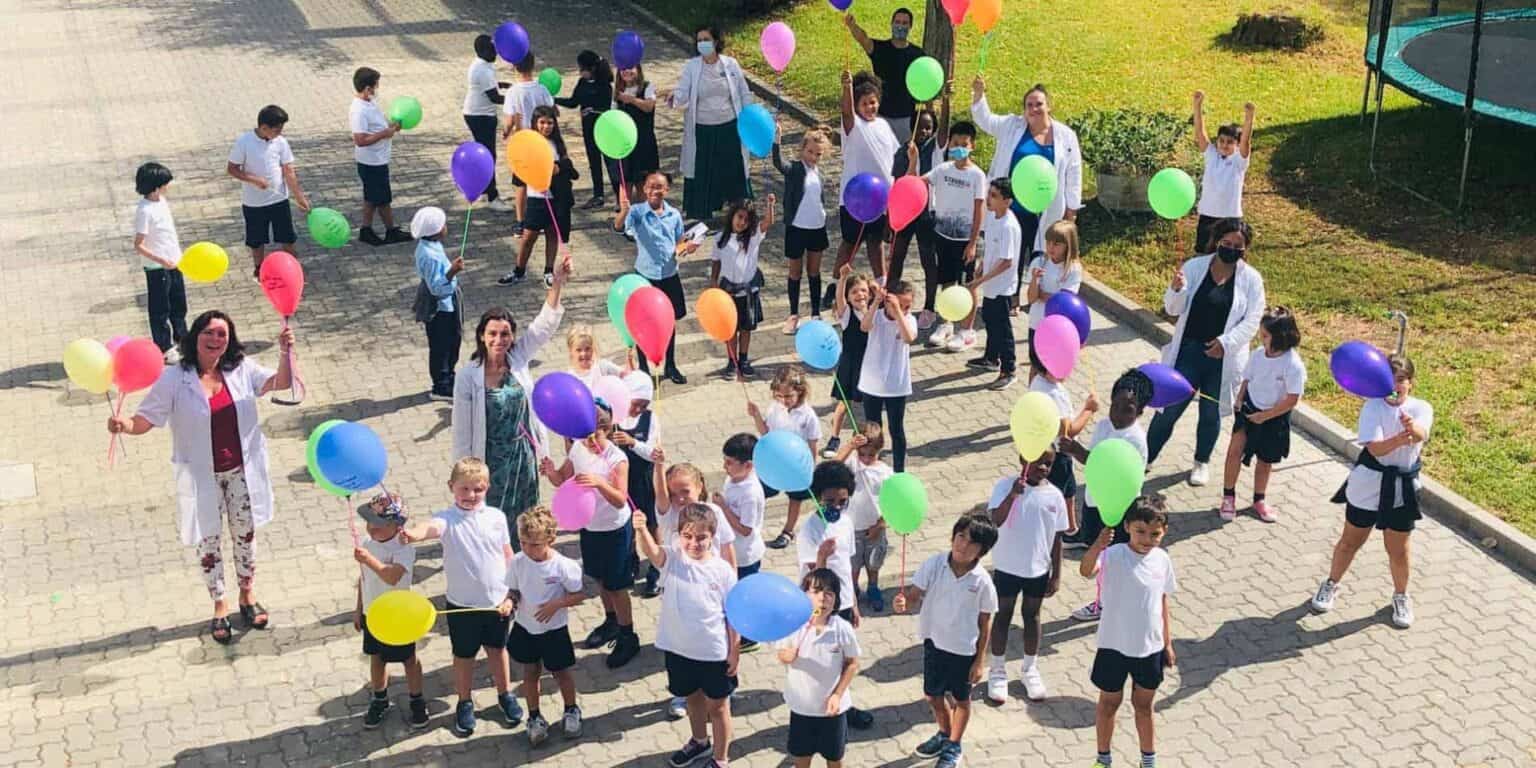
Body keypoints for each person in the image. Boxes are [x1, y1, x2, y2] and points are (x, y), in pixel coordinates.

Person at [107, 310, 293, 643]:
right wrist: (124, 426)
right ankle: (220, 606)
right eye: (209, 332)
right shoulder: (175, 378)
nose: (215, 339)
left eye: (222, 334)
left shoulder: (240, 369)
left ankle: (247, 596)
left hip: (240, 472)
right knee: (208, 542)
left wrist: (285, 353)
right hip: (200, 475)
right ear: (195, 336)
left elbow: (281, 383)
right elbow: (146, 419)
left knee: (245, 536)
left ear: (229, 340)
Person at [398, 458, 521, 737]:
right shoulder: (447, 518)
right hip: (461, 607)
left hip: (497, 603)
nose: (470, 495)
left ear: (487, 488)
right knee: (463, 656)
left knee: (498, 651)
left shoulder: (497, 518)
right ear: (451, 487)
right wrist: (411, 535)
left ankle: (505, 695)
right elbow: (429, 528)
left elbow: (507, 555)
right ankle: (464, 702)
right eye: (464, 489)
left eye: (477, 489)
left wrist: (513, 593)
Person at [451, 259, 570, 543]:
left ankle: (523, 570)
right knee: (491, 523)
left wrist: (558, 282)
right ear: (482, 336)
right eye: (492, 333)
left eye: (505, 334)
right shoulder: (468, 376)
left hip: (522, 458)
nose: (499, 339)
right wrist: (462, 475)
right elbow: (462, 430)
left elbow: (544, 326)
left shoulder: (518, 359)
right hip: (490, 460)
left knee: (525, 520)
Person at [1311, 354, 1432, 629]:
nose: (1396, 386)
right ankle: (1331, 584)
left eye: (1401, 380)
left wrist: (1411, 427)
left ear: (1410, 383)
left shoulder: (1422, 407)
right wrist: (1400, 438)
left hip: (1402, 488)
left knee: (1398, 550)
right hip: (1368, 484)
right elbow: (1375, 449)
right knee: (1350, 542)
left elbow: (1422, 433)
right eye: (1390, 380)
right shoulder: (1372, 407)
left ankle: (1401, 596)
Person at [1145, 218, 1266, 487]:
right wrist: (1175, 290)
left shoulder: (1252, 280)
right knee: (1168, 408)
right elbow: (1174, 309)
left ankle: (1201, 461)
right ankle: (1146, 456)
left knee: (1211, 414)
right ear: (1216, 242)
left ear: (1245, 249)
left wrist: (1226, 342)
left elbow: (1252, 319)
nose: (1232, 249)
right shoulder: (1195, 267)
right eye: (1227, 243)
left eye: (1238, 246)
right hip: (1188, 353)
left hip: (1222, 358)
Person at [633, 503, 740, 768]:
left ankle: (721, 758)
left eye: (702, 537)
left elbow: (734, 614)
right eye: (688, 536)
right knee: (692, 699)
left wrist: (734, 650)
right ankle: (699, 742)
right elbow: (652, 552)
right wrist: (641, 528)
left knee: (718, 708)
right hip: (679, 650)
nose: (694, 543)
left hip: (714, 653)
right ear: (679, 535)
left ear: (712, 537)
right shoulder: (673, 560)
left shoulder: (723, 570)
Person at [892, 515, 999, 768]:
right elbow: (914, 595)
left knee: (961, 700)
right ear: (953, 537)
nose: (963, 545)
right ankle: (944, 733)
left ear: (982, 552)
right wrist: (904, 602)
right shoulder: (934, 564)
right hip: (933, 643)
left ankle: (954, 746)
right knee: (932, 695)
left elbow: (986, 623)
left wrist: (980, 661)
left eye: (972, 543)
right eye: (960, 536)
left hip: (964, 651)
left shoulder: (982, 581)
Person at [1079, 495, 1177, 768]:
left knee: (1144, 707)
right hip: (1113, 646)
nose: (1147, 539)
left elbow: (1163, 601)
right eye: (1140, 532)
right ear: (1127, 527)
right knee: (1108, 704)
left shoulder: (1162, 560)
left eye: (1154, 534)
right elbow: (1086, 571)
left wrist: (1167, 643)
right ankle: (1103, 759)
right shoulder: (1113, 555)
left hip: (1150, 647)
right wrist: (1097, 547)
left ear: (1164, 532)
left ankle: (1148, 760)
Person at [970, 77, 1082, 311]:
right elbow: (986, 120)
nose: (1034, 109)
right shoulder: (1013, 126)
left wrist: (1071, 211)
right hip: (1013, 207)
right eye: (1029, 105)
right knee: (1013, 252)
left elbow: (1073, 172)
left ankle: (1037, 297)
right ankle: (1010, 299)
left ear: (1048, 106)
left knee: (1043, 252)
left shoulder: (1065, 136)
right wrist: (979, 95)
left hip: (1047, 207)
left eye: (1039, 104)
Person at [539, 403, 638, 668]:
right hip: (590, 527)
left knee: (617, 587)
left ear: (607, 430)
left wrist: (600, 483)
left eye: (596, 436)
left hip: (614, 529)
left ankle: (629, 635)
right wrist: (550, 472)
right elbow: (562, 479)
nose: (591, 443)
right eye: (586, 437)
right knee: (600, 578)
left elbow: (620, 500)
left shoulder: (618, 459)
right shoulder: (578, 448)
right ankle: (610, 621)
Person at [984, 449, 1068, 703]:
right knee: (1002, 616)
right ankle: (997, 669)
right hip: (1007, 567)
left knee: (1032, 617)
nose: (1043, 467)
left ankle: (1029, 668)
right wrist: (1012, 495)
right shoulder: (1004, 486)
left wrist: (1056, 574)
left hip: (1038, 570)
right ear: (1023, 459)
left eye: (1048, 464)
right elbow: (994, 520)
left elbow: (1057, 537)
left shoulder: (1054, 495)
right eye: (1038, 461)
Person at [508, 506, 587, 745]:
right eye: (523, 542)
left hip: (554, 630)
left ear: (550, 540)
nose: (528, 549)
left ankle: (571, 710)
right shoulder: (518, 562)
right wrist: (508, 602)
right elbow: (513, 590)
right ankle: (534, 717)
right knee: (530, 673)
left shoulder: (563, 566)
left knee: (561, 672)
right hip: (526, 627)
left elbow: (579, 595)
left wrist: (557, 604)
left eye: (535, 544)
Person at [662, 23, 753, 224]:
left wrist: (750, 117)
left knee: (733, 167)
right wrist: (674, 98)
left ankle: (738, 208)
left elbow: (743, 92)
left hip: (729, 127)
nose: (702, 44)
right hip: (702, 129)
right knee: (703, 169)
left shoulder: (730, 64)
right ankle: (702, 210)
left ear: (716, 42)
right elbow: (683, 92)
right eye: (699, 40)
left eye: (706, 40)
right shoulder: (692, 67)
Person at [1221, 307, 1305, 523]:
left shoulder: (1293, 365)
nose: (1261, 338)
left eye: (1265, 335)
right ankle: (1228, 496)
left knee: (1265, 461)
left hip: (1274, 417)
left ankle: (1259, 499)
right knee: (1234, 452)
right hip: (1249, 410)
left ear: (1280, 338)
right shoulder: (1258, 354)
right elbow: (1247, 379)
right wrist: (1240, 399)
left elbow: (1292, 399)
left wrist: (1266, 416)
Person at [614, 171, 699, 384]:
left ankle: (670, 365)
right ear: (644, 189)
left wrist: (687, 247)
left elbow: (679, 241)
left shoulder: (674, 215)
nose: (655, 191)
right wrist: (623, 211)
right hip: (645, 276)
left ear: (666, 190)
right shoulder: (637, 212)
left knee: (669, 321)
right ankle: (644, 369)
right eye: (651, 186)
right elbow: (619, 227)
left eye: (659, 187)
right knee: (643, 323)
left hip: (670, 275)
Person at [351, 494, 427, 730]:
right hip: (372, 613)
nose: (371, 527)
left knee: (408, 659)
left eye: (378, 523)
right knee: (377, 658)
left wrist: (369, 560)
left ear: (396, 525)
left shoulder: (403, 547)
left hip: (397, 614)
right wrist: (359, 608)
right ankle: (380, 698)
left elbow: (392, 577)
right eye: (369, 521)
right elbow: (364, 578)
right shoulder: (366, 543)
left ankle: (416, 699)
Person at [912, 120, 987, 353]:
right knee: (946, 281)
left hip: (965, 240)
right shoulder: (943, 170)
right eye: (955, 143)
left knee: (967, 285)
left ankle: (966, 330)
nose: (958, 148)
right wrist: (913, 160)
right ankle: (946, 324)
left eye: (964, 144)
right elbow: (917, 182)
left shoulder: (977, 176)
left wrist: (973, 242)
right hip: (942, 236)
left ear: (972, 145)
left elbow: (979, 210)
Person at [777, 568, 861, 768]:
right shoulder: (793, 625)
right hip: (801, 708)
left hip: (832, 712)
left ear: (836, 600)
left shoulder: (842, 629)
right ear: (804, 596)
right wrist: (786, 656)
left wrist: (837, 695)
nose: (822, 598)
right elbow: (781, 653)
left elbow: (852, 663)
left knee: (834, 758)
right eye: (815, 591)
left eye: (829, 593)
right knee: (802, 758)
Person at [226, 105, 311, 277]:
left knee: (287, 237)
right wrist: (253, 179)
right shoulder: (244, 142)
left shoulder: (280, 142)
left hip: (279, 200)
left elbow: (288, 170)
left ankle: (292, 269)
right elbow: (232, 169)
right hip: (254, 203)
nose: (279, 133)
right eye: (276, 129)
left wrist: (299, 197)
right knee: (256, 240)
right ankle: (259, 269)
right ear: (264, 127)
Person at [836, 69, 901, 280]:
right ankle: (837, 283)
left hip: (880, 198)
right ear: (856, 106)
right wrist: (846, 87)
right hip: (855, 198)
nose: (869, 107)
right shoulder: (854, 127)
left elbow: (894, 156)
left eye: (872, 102)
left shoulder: (883, 125)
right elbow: (846, 113)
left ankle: (881, 280)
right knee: (850, 243)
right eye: (864, 104)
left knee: (876, 241)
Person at [503, 105, 577, 287]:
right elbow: (521, 170)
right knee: (529, 237)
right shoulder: (529, 143)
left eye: (550, 123)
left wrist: (559, 168)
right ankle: (519, 270)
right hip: (536, 196)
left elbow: (567, 165)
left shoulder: (557, 144)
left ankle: (549, 270)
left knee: (552, 234)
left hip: (556, 197)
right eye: (542, 122)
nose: (546, 126)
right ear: (535, 123)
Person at [750, 366, 822, 548]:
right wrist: (756, 415)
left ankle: (788, 531)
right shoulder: (775, 408)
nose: (784, 401)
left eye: (788, 396)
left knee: (795, 497)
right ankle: (751, 526)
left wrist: (810, 469)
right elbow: (766, 432)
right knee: (760, 492)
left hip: (797, 465)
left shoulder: (808, 416)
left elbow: (813, 444)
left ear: (800, 391)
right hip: (774, 462)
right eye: (779, 396)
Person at [772, 119, 832, 335]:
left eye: (818, 154)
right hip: (797, 227)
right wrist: (776, 140)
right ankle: (793, 314)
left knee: (814, 272)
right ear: (802, 150)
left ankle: (816, 313)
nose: (813, 157)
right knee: (795, 272)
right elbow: (779, 163)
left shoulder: (821, 174)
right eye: (810, 152)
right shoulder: (795, 169)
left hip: (817, 227)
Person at [888, 105, 946, 325]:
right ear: (911, 128)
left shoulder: (935, 149)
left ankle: (930, 306)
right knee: (897, 258)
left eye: (928, 128)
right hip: (905, 213)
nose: (924, 132)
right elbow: (900, 184)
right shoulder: (904, 151)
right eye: (920, 128)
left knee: (928, 261)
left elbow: (943, 132)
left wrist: (945, 100)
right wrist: (889, 219)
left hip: (927, 215)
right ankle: (890, 300)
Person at [1028, 355, 1099, 532]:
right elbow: (1068, 431)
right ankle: (1058, 530)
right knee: (1059, 493)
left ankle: (1071, 526)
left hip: (1045, 447)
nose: (1068, 370)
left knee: (1069, 489)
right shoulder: (1052, 394)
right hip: (1057, 453)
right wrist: (1089, 409)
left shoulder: (1038, 381)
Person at [709, 196, 775, 377]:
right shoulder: (720, 238)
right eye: (739, 217)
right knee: (730, 328)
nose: (742, 222)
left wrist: (770, 205)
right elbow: (716, 261)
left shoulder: (753, 237)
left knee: (746, 327)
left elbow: (768, 222)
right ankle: (732, 361)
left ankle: (743, 359)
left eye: (746, 220)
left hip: (748, 290)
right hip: (727, 291)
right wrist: (713, 281)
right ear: (732, 216)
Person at [966, 177, 1022, 389]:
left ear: (1007, 201)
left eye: (994, 196)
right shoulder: (993, 218)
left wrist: (980, 281)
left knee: (1002, 328)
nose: (989, 199)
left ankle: (1009, 369)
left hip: (1001, 287)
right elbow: (991, 251)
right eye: (989, 194)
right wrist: (980, 267)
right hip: (991, 284)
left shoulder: (1009, 226)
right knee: (990, 319)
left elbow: (1006, 262)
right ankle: (991, 358)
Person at [842, 7, 928, 144]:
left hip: (905, 117)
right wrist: (852, 25)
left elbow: (926, 86)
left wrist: (930, 113)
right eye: (897, 22)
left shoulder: (918, 55)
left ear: (910, 26)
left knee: (902, 159)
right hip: (880, 116)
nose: (900, 26)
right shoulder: (880, 49)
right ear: (892, 23)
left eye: (905, 23)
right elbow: (863, 39)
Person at [859, 280, 918, 472]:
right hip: (872, 384)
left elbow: (909, 337)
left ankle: (899, 470)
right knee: (873, 430)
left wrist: (899, 312)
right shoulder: (876, 316)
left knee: (896, 430)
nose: (904, 309)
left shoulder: (908, 319)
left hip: (896, 385)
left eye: (908, 306)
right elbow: (864, 326)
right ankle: (871, 463)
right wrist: (876, 302)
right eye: (899, 305)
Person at [833, 423, 892, 612]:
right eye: (862, 454)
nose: (865, 459)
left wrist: (881, 525)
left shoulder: (885, 473)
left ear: (879, 451)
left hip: (875, 527)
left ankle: (873, 587)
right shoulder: (852, 463)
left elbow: (892, 504)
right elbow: (833, 465)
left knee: (873, 562)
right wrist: (850, 446)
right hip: (851, 527)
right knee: (853, 563)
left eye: (871, 455)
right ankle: (853, 590)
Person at [133, 161, 187, 363]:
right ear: (155, 185)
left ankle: (183, 338)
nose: (167, 187)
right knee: (160, 308)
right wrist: (160, 259)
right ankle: (164, 346)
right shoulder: (144, 210)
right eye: (164, 183)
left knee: (178, 303)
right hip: (157, 267)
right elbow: (138, 244)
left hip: (174, 262)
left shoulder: (162, 202)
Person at [349, 67, 407, 246]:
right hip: (371, 162)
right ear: (367, 88)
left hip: (378, 159)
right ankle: (390, 231)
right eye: (375, 86)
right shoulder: (359, 110)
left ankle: (366, 229)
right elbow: (360, 139)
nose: (377, 89)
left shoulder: (370, 103)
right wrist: (384, 134)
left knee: (372, 198)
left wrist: (390, 127)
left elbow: (377, 126)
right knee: (382, 199)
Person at [1192, 92, 1255, 253]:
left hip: (1230, 218)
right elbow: (1200, 133)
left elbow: (1246, 141)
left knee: (1228, 255)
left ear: (1236, 144)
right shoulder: (1211, 155)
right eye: (1221, 141)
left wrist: (1249, 118)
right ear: (1217, 141)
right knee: (1202, 254)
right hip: (1207, 215)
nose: (1225, 145)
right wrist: (1197, 106)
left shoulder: (1238, 161)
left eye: (1230, 142)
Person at [411, 206, 463, 401]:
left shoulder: (431, 246)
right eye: (443, 225)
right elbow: (437, 288)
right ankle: (440, 385)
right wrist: (453, 271)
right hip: (439, 308)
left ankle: (449, 375)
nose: (446, 228)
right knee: (441, 344)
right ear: (435, 230)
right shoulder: (429, 256)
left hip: (447, 304)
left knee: (451, 341)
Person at [502, 51, 556, 234]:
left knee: (520, 183)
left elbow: (509, 121)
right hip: (541, 141)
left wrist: (505, 132)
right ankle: (543, 217)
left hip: (522, 142)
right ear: (533, 66)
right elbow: (552, 111)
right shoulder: (542, 89)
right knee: (540, 178)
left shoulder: (512, 92)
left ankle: (520, 221)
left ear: (514, 66)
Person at [822, 267, 873, 459]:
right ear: (848, 297)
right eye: (854, 292)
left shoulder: (875, 311)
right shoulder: (846, 314)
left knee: (870, 403)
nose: (860, 294)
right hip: (851, 364)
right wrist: (842, 278)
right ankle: (834, 438)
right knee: (844, 403)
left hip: (870, 364)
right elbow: (840, 299)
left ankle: (870, 438)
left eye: (863, 290)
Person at [554, 50, 615, 210]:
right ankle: (598, 194)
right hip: (588, 128)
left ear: (592, 68)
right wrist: (554, 100)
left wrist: (593, 110)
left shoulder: (605, 85)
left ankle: (619, 194)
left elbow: (608, 107)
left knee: (610, 162)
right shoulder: (582, 83)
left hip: (604, 128)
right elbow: (574, 102)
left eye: (583, 69)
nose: (581, 72)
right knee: (594, 162)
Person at [613, 370, 660, 579]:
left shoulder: (650, 419)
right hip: (621, 482)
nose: (639, 409)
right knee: (626, 524)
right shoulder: (613, 417)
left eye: (643, 405)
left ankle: (656, 566)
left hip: (643, 479)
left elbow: (653, 453)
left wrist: (633, 443)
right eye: (635, 403)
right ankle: (630, 559)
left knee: (651, 523)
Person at [1024, 221, 1084, 376]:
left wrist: (1043, 295)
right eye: (1048, 242)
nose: (1051, 247)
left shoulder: (1073, 269)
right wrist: (1035, 281)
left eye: (1057, 244)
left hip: (1058, 328)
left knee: (1051, 371)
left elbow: (1063, 302)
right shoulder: (1039, 262)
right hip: (1037, 323)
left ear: (1068, 245)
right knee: (1035, 365)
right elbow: (1031, 299)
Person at [463, 34, 511, 211]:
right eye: (492, 50)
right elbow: (495, 97)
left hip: (479, 114)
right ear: (482, 51)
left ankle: (486, 189)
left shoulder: (482, 65)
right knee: (489, 156)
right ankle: (493, 197)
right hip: (480, 116)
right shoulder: (482, 69)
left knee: (486, 154)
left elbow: (489, 85)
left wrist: (502, 84)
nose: (496, 53)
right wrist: (516, 97)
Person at [717, 433, 768, 586]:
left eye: (729, 463)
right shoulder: (732, 478)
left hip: (745, 558)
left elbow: (746, 530)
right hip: (731, 552)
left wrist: (723, 508)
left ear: (748, 465)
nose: (724, 466)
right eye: (724, 461)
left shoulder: (750, 493)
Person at [613, 63, 661, 205]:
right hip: (625, 144)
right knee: (625, 181)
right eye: (623, 69)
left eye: (631, 68)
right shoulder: (616, 92)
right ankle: (625, 216)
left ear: (638, 70)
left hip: (643, 142)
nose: (627, 71)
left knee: (643, 182)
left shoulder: (647, 87)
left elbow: (648, 106)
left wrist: (632, 100)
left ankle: (644, 214)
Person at [565, 325, 628, 393]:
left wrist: (630, 361)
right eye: (578, 350)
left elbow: (626, 376)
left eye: (587, 349)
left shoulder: (602, 367)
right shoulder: (569, 377)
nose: (584, 354)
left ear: (593, 348)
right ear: (571, 351)